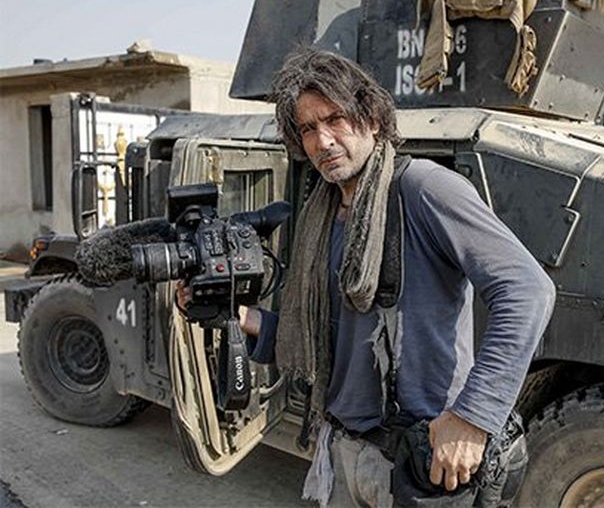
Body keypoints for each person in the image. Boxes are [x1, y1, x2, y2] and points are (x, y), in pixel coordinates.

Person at [179, 47, 555, 506]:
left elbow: (527, 289)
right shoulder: (323, 214)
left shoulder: (423, 190)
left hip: (419, 460)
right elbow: (328, 341)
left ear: (372, 119)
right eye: (308, 128)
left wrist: (473, 418)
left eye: (335, 119)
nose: (323, 141)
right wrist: (243, 318)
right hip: (340, 448)